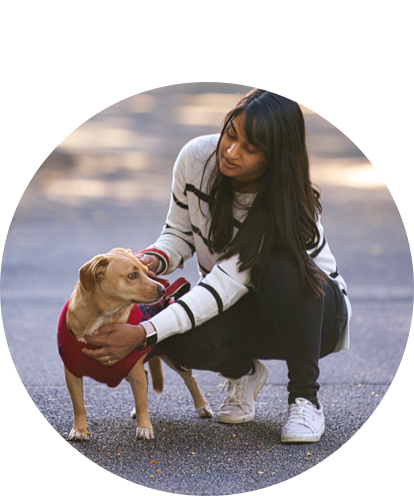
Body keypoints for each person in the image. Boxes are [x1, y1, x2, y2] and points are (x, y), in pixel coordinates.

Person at [83, 85, 351, 443]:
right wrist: (152, 260)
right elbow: (179, 233)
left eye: (250, 148)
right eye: (231, 133)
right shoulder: (196, 159)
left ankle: (305, 399)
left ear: (274, 158)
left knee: (282, 267)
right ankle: (244, 373)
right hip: (245, 307)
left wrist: (142, 333)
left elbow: (223, 283)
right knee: (177, 340)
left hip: (314, 317)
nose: (231, 151)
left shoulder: (283, 205)